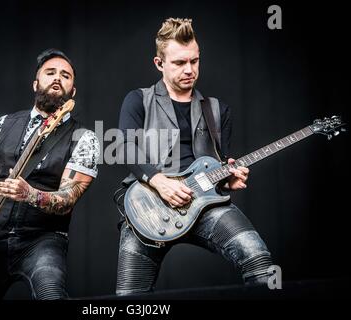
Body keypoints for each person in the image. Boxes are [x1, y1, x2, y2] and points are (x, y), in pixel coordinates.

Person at [115, 18, 273, 295]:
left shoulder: (217, 110)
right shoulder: (138, 99)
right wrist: (160, 181)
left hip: (205, 206)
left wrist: (227, 180)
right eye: (179, 63)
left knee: (259, 260)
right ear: (159, 63)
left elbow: (215, 165)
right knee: (130, 298)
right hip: (148, 206)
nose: (189, 70)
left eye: (194, 61)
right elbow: (125, 148)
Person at [0, 48, 100, 299]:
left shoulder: (84, 139)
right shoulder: (2, 125)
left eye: (66, 75)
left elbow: (68, 199)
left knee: (51, 295)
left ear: (73, 92)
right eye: (50, 72)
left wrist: (31, 194)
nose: (58, 77)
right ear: (36, 83)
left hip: (42, 241)